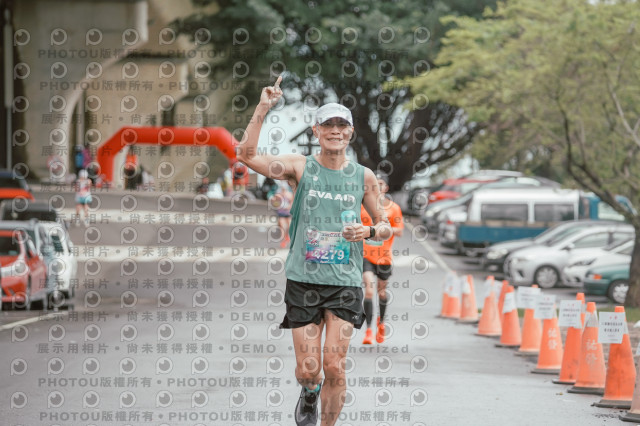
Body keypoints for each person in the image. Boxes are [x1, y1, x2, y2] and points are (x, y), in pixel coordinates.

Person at [237, 75, 392, 426]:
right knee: (309, 370)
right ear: (316, 131)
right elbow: (246, 156)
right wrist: (262, 107)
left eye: (341, 125)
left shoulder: (364, 177)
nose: (335, 131)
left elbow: (384, 226)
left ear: (350, 132)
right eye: (328, 125)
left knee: (335, 365)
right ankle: (309, 392)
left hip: (345, 282)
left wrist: (368, 230)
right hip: (304, 280)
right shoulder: (301, 167)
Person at [359, 173, 404, 344]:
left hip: (384, 257)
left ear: (386, 188)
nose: (377, 187)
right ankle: (368, 331)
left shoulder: (393, 208)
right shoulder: (362, 206)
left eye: (380, 184)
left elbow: (399, 231)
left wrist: (382, 230)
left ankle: (381, 323)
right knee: (369, 291)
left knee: (382, 292)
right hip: (366, 255)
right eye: (374, 183)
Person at [271, 181, 294, 248]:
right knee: (282, 226)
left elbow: (292, 203)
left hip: (287, 212)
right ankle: (283, 240)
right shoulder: (278, 194)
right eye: (282, 188)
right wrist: (274, 201)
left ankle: (287, 236)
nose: (283, 189)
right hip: (281, 213)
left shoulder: (289, 194)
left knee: (289, 226)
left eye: (284, 188)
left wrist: (288, 207)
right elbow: (274, 203)